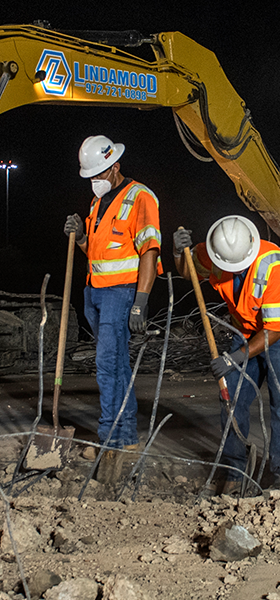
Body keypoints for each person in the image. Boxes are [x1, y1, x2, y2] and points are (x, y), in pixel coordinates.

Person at [173, 216, 280, 492]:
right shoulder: (215, 251)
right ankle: (234, 468)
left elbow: (274, 331)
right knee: (231, 396)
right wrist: (178, 253)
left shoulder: (274, 266)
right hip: (245, 329)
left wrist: (234, 358)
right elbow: (189, 273)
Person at [63, 135, 161, 483]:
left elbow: (149, 250)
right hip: (95, 292)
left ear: (115, 166)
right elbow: (98, 251)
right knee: (115, 364)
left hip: (121, 294)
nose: (95, 180)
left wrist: (141, 302)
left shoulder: (140, 198)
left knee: (107, 365)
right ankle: (123, 438)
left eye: (100, 172)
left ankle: (112, 439)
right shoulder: (96, 202)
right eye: (91, 175)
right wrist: (79, 235)